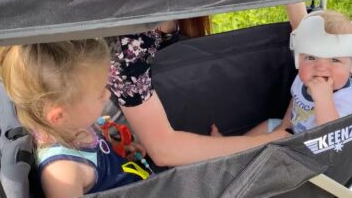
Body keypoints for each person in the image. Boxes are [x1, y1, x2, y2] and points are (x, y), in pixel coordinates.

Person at [106, 16, 290, 167]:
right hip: (138, 140)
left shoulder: (178, 10)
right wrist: (272, 139)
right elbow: (163, 150)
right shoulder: (128, 46)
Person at [0, 41, 150, 198]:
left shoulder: (69, 124)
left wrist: (117, 148)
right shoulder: (63, 172)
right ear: (59, 116)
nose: (107, 95)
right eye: (100, 93)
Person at [217, 8, 352, 136]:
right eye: (311, 57)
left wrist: (324, 100)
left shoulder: (349, 98)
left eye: (334, 60)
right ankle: (231, 149)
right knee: (269, 125)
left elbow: (333, 136)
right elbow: (295, 103)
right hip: (294, 134)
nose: (320, 68)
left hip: (316, 151)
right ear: (298, 59)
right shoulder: (302, 79)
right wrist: (284, 126)